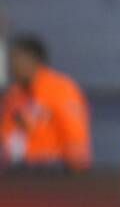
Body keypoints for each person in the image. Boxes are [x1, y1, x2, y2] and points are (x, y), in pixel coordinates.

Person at [0, 34, 92, 172]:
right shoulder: (13, 95)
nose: (12, 66)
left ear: (34, 61)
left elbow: (75, 138)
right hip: (16, 170)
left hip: (52, 171)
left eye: (17, 59)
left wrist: (76, 170)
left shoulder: (60, 89)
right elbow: (6, 134)